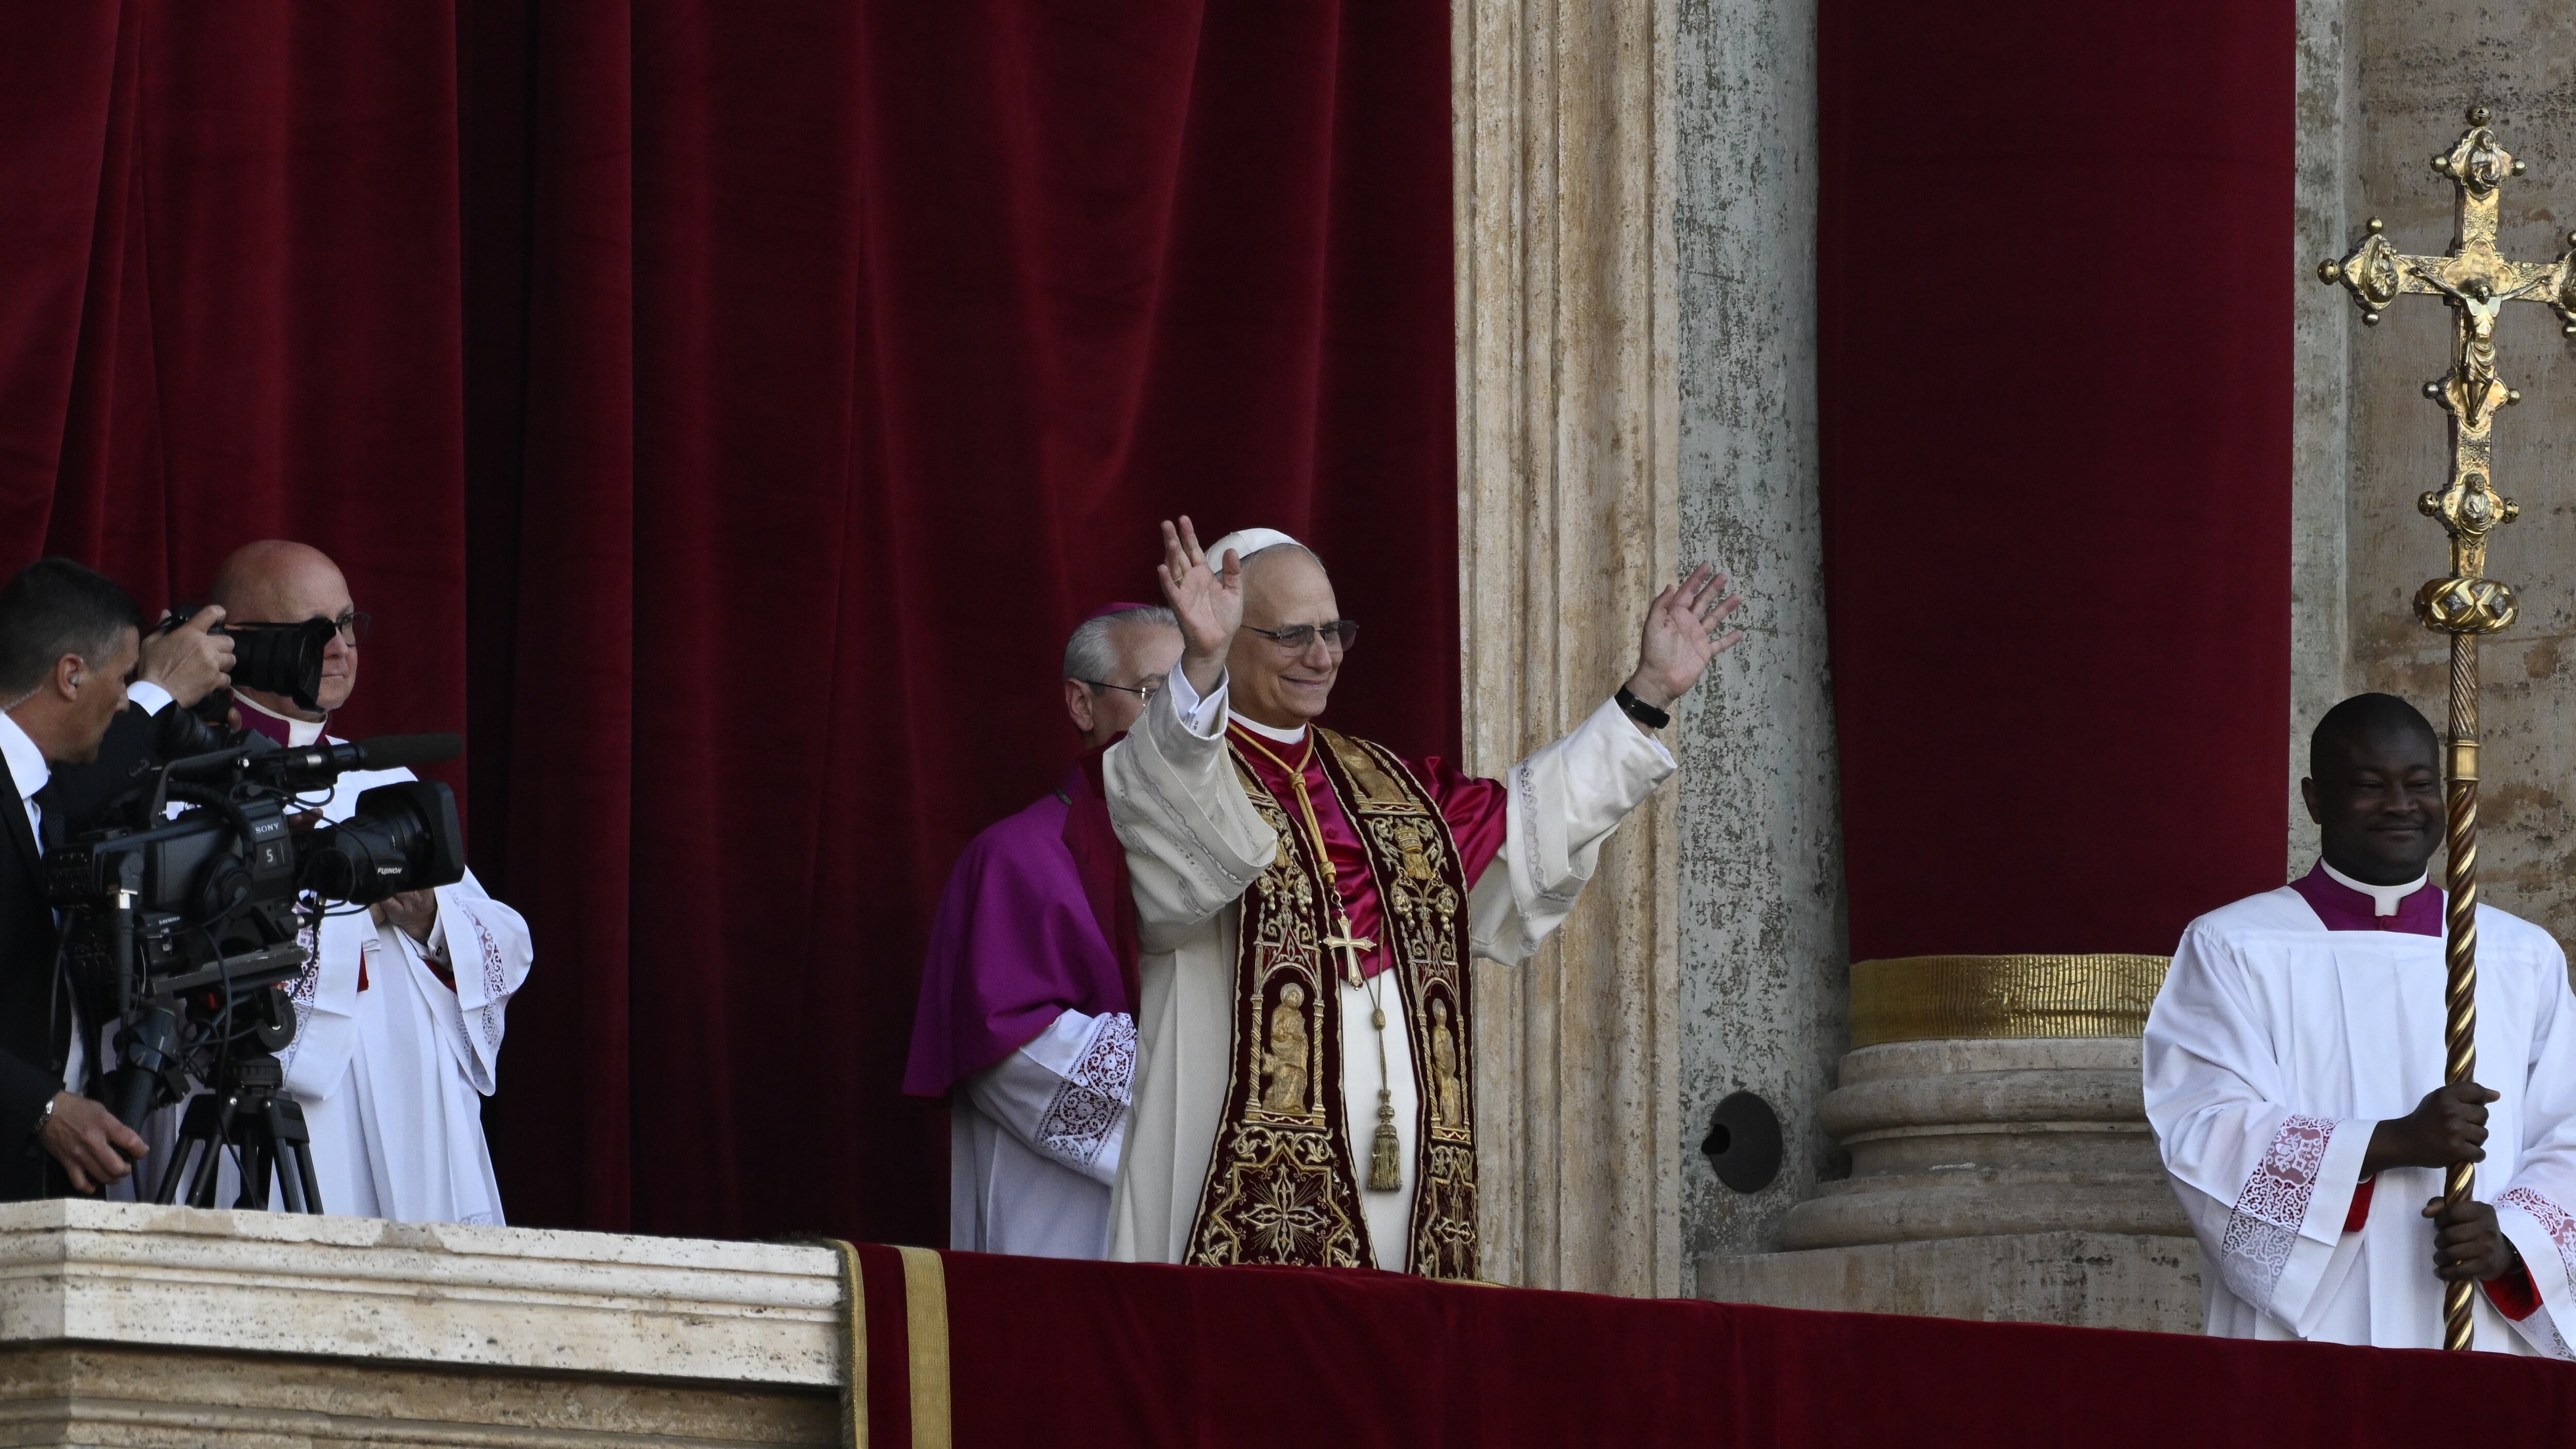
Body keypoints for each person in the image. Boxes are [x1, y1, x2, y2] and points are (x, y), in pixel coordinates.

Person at [1101, 519, 1741, 1275]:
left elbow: (1528, 827)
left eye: (1334, 631)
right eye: (1292, 636)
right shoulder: (1175, 769)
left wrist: (1645, 697)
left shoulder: (1391, 789)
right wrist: (1199, 666)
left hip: (1404, 1204)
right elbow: (1168, 839)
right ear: (1229, 636)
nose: (1323, 656)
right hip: (1225, 1184)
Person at [2145, 692, 2576, 1355]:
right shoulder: (2234, 945)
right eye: (2369, 786)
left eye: (2418, 784)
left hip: (2473, 1317)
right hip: (2310, 1327)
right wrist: (2388, 1141)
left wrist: (2511, 1240)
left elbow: (2568, 1130)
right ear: (2315, 800)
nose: (2400, 805)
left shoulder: (2519, 955)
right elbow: (2202, 1129)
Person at [182, 539, 533, 1223]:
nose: (342, 648)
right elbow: (196, 984)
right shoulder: (189, 794)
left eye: (348, 624)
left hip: (418, 1110)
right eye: (317, 632)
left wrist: (428, 915)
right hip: (289, 1119)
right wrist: (349, 921)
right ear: (242, 644)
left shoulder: (384, 784)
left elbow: (504, 944)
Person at [904, 604, 1183, 1257]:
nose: (1180, 719)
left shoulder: (1236, 858)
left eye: (1195, 695)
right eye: (1152, 693)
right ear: (1082, 705)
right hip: (1060, 1221)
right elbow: (1011, 1051)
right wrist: (1199, 1084)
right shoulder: (1014, 858)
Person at [0, 558, 234, 1201]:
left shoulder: (44, 796)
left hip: (52, 1179)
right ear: (71, 675)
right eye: (126, 677)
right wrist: (42, 1108)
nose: (129, 698)